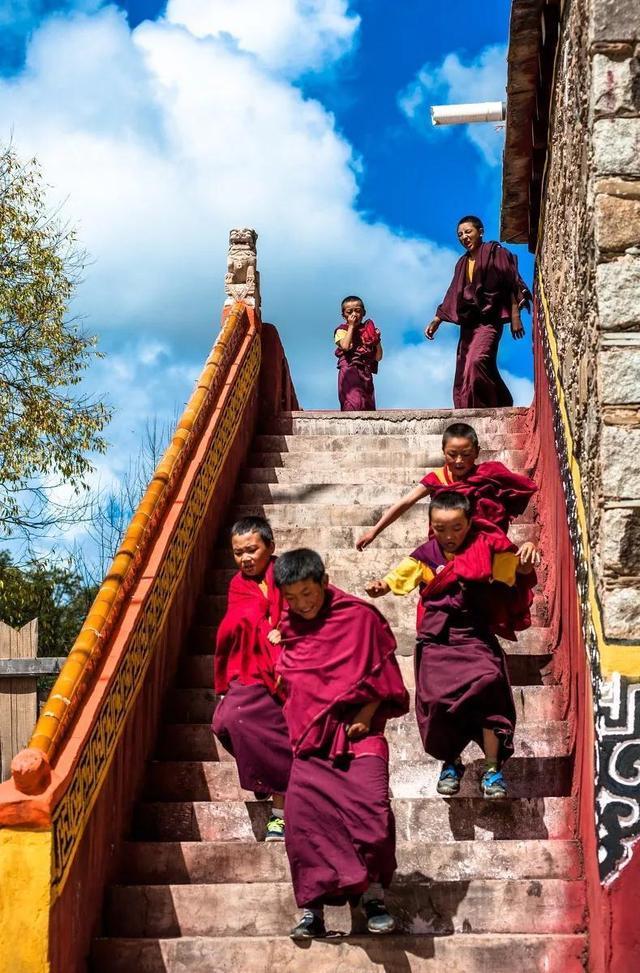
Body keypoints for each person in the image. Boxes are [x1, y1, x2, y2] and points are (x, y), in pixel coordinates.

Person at [366, 492, 538, 800]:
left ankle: (491, 768)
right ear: (431, 526)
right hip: (437, 641)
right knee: (437, 702)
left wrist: (525, 554)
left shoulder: (484, 548)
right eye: (440, 528)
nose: (448, 536)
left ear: (470, 523)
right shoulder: (425, 555)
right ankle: (451, 762)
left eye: (457, 528)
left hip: (474, 636)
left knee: (489, 686)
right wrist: (382, 586)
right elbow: (397, 579)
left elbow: (516, 572)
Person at [274, 548, 409, 940]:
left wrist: (366, 715)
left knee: (373, 820)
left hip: (358, 735)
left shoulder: (360, 618)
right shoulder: (290, 629)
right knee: (302, 825)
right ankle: (312, 911)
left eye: (307, 593)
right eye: (291, 598)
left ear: (324, 581)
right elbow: (290, 679)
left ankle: (372, 896)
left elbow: (384, 674)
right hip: (311, 741)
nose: (301, 604)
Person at [212, 516, 292, 842]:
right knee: (226, 720)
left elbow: (315, 603)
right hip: (250, 668)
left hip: (291, 666)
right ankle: (261, 772)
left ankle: (281, 814)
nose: (245, 559)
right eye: (237, 553)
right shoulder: (237, 586)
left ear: (270, 547)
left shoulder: (289, 572)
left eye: (251, 550)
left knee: (280, 732)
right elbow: (235, 627)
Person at [356, 421, 537, 550]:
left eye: (466, 454)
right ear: (444, 452)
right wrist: (374, 531)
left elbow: (519, 489)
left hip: (485, 547)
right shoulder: (437, 479)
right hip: (447, 550)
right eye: (452, 454)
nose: (459, 461)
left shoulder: (489, 474)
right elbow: (406, 502)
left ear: (477, 453)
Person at [424, 215, 532, 408]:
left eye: (468, 232)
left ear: (480, 232)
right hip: (469, 323)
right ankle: (497, 403)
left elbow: (510, 281)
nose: (464, 237)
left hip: (490, 321)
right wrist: (437, 319)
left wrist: (515, 316)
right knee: (466, 369)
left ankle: (490, 404)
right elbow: (453, 291)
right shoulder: (462, 263)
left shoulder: (494, 252)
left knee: (477, 361)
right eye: (460, 235)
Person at [335, 295, 382, 411]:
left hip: (365, 372)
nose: (354, 315)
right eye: (349, 312)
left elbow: (378, 357)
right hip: (349, 369)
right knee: (352, 402)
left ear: (364, 312)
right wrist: (351, 326)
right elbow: (345, 346)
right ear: (343, 315)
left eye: (358, 311)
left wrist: (376, 340)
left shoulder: (368, 331)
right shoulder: (341, 330)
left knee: (367, 404)